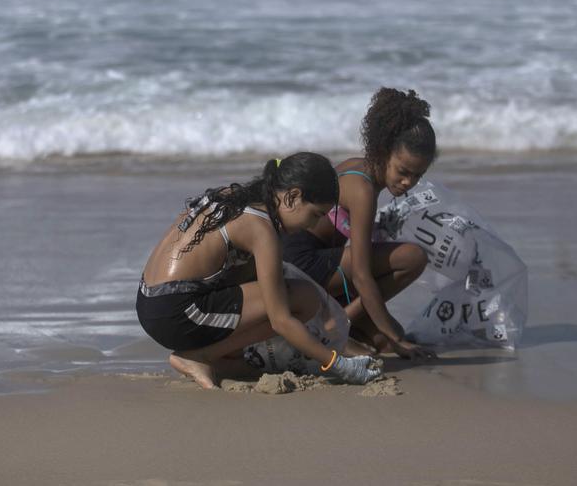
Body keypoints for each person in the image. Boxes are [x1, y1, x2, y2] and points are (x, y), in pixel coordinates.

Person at [136, 152, 382, 389]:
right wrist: (337, 364)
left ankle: (223, 358)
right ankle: (201, 356)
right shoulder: (261, 229)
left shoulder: (232, 196)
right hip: (176, 314)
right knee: (304, 298)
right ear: (292, 197)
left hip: (149, 301)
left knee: (266, 279)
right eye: (315, 214)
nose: (314, 225)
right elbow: (281, 321)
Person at [282, 88, 438, 360]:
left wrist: (389, 334)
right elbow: (362, 275)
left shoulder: (360, 167)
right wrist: (396, 336)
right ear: (383, 151)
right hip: (299, 262)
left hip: (319, 263)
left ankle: (337, 322)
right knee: (412, 258)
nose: (408, 182)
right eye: (403, 171)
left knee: (382, 343)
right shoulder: (363, 189)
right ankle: (333, 326)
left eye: (417, 175)